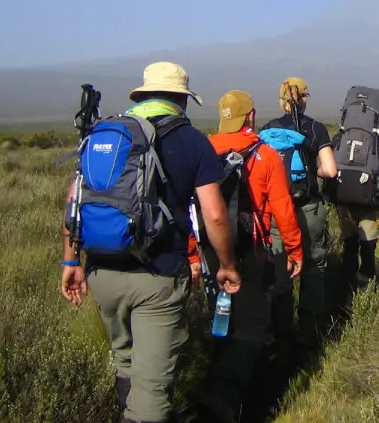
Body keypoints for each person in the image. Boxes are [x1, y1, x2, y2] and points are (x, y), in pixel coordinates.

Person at [60, 61, 242, 423]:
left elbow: (74, 202)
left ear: (142, 95)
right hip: (157, 277)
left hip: (102, 271)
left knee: (124, 360)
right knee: (153, 392)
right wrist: (227, 265)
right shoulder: (192, 141)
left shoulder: (106, 133)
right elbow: (216, 215)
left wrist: (70, 262)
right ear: (182, 100)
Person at [196, 89, 304, 423]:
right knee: (252, 323)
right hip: (251, 250)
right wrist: (294, 247)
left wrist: (191, 253)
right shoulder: (266, 154)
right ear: (251, 117)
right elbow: (283, 207)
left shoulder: (204, 150)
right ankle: (227, 397)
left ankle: (213, 377)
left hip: (211, 251)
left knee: (219, 314)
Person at [259, 77, 338, 367]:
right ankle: (310, 336)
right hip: (309, 209)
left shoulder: (268, 130)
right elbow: (329, 170)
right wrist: (314, 168)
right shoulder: (315, 127)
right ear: (304, 98)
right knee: (314, 269)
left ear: (281, 100)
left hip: (277, 213)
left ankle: (281, 337)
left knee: (279, 271)